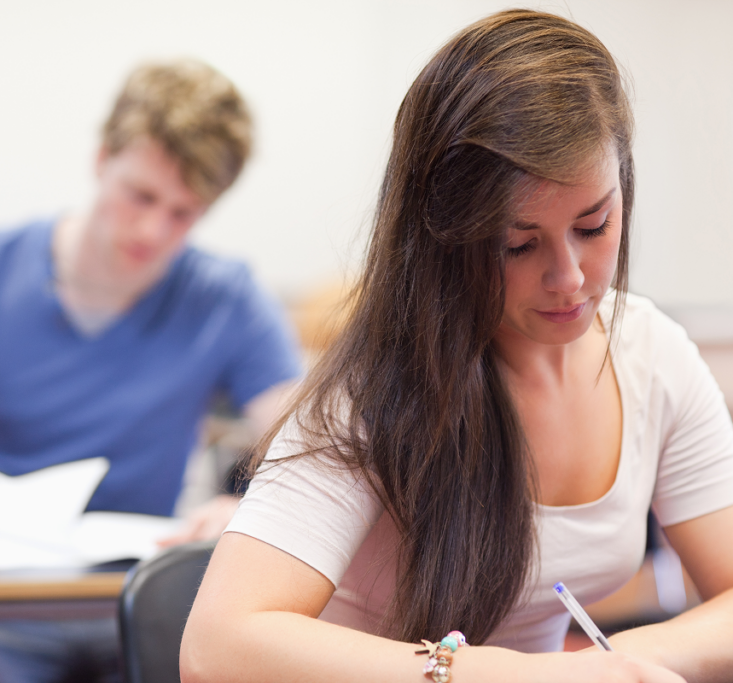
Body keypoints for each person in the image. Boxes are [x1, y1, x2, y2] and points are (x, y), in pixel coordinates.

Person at [181, 10, 733, 683]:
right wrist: (520, 675)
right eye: (518, 245)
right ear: (449, 234)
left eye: (594, 226)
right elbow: (215, 648)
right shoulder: (373, 390)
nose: (569, 278)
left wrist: (618, 666)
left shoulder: (652, 355)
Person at [0, 58, 301, 683]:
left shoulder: (226, 300)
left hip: (136, 607)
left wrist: (248, 517)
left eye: (184, 213)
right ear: (101, 157)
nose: (153, 229)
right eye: (141, 196)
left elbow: (315, 457)